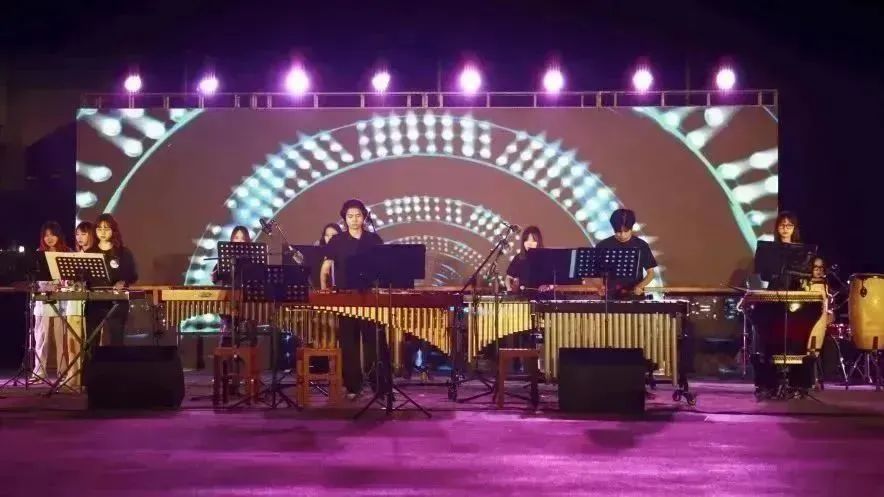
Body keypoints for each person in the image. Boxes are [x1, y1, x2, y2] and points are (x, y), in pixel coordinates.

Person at [320, 199, 388, 398]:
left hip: (370, 298)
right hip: (346, 298)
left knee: (374, 341)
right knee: (348, 342)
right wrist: (325, 293)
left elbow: (384, 268)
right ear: (344, 218)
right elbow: (325, 269)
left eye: (358, 215)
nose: (354, 219)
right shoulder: (337, 241)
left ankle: (379, 385)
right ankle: (352, 386)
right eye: (350, 216)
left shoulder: (373, 239)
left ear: (364, 217)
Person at [86, 213, 138, 347]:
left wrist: (123, 282)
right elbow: (84, 277)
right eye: (99, 229)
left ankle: (115, 361)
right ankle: (93, 361)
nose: (102, 232)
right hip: (94, 302)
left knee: (116, 340)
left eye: (106, 229)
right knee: (92, 341)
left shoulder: (123, 252)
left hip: (117, 302)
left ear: (113, 230)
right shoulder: (90, 252)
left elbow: (133, 275)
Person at [588, 209, 658, 299]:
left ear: (631, 228)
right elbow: (593, 273)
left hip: (634, 297)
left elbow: (651, 273)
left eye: (626, 231)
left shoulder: (641, 245)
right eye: (618, 232)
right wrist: (600, 286)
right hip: (609, 299)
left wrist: (640, 286)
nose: (622, 235)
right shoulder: (602, 246)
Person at [32, 221, 70, 383]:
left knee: (61, 338)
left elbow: (70, 278)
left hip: (62, 301)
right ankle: (39, 372)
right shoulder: (39, 253)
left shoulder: (67, 253)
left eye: (53, 234)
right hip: (43, 300)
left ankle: (63, 372)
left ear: (59, 236)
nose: (50, 238)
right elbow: (35, 279)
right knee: (42, 338)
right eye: (46, 235)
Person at [61, 221, 95, 388]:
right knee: (73, 343)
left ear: (91, 235)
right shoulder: (73, 256)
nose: (80, 237)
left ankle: (89, 377)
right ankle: (73, 377)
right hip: (74, 303)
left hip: (91, 304)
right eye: (77, 234)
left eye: (84, 233)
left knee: (90, 343)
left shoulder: (96, 256)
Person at [505, 226, 543, 292]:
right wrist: (509, 289)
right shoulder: (519, 258)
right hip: (522, 295)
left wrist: (548, 287)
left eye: (533, 241)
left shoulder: (545, 257)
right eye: (526, 240)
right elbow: (508, 278)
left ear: (538, 242)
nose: (529, 244)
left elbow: (553, 281)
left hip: (541, 295)